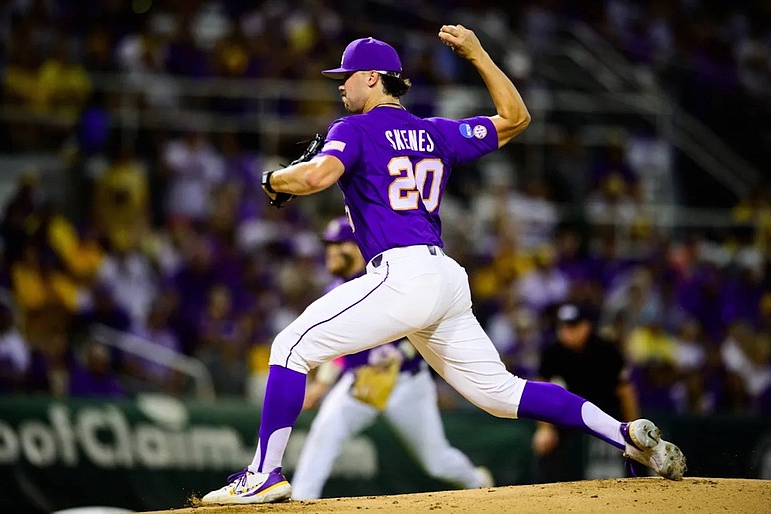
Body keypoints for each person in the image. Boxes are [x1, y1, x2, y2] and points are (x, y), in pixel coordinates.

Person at [202, 25, 686, 505]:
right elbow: (516, 118)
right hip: (445, 278)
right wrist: (477, 54)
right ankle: (623, 434)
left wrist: (273, 179)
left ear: (373, 77)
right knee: (500, 393)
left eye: (346, 77)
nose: (341, 86)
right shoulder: (435, 132)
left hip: (401, 273)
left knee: (289, 346)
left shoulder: (351, 128)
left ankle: (263, 474)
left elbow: (318, 176)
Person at [291, 217, 493, 500]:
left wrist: (402, 352)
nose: (332, 251)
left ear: (358, 246)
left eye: (340, 244)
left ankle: (475, 480)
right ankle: (301, 500)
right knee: (324, 435)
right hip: (362, 384)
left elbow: (426, 323)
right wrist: (321, 385)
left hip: (406, 384)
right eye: (329, 245)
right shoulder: (335, 291)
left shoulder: (392, 278)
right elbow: (336, 351)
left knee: (436, 460)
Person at [531, 302, 640, 483]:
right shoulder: (552, 351)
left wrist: (632, 428)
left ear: (586, 326)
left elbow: (626, 392)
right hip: (572, 411)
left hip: (607, 411)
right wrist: (544, 429)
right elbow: (540, 392)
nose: (568, 331)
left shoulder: (606, 350)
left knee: (636, 446)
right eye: (564, 326)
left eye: (573, 326)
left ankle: (642, 487)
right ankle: (541, 494)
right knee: (544, 443)